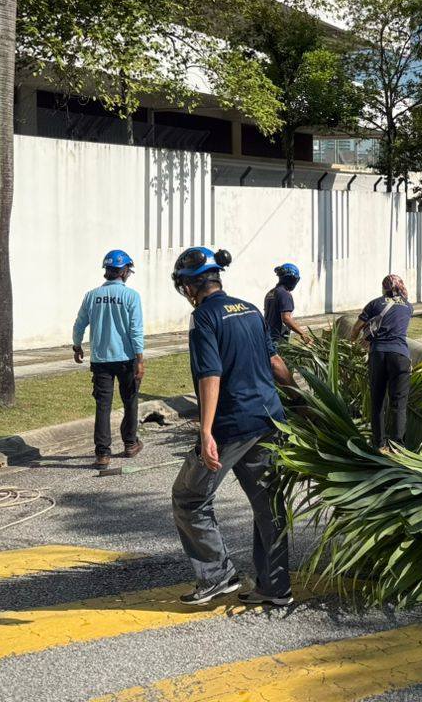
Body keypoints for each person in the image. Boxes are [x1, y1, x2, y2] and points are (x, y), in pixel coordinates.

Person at [170, 246, 297, 608]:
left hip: (232, 422)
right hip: (269, 419)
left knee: (190, 497)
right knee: (268, 504)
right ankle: (275, 587)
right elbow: (275, 362)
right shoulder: (250, 309)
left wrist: (206, 431)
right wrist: (301, 400)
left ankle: (216, 575)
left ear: (190, 286)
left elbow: (210, 374)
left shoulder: (204, 317)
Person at [72, 249, 145, 469]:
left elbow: (79, 324)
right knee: (130, 401)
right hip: (126, 358)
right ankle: (130, 443)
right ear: (123, 272)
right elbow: (135, 330)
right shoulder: (131, 296)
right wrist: (140, 359)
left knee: (103, 406)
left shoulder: (91, 296)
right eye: (128, 270)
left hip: (100, 360)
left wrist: (77, 345)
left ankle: (102, 454)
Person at [350, 275, 415, 452]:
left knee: (378, 401)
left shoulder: (374, 304)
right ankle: (398, 446)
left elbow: (356, 328)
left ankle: (379, 444)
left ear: (383, 287)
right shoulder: (409, 307)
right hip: (400, 356)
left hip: (378, 354)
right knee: (399, 403)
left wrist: (353, 342)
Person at [263, 263, 314, 345]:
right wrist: (303, 334)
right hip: (278, 339)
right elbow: (286, 318)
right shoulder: (284, 294)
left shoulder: (270, 293)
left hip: (267, 336)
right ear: (292, 279)